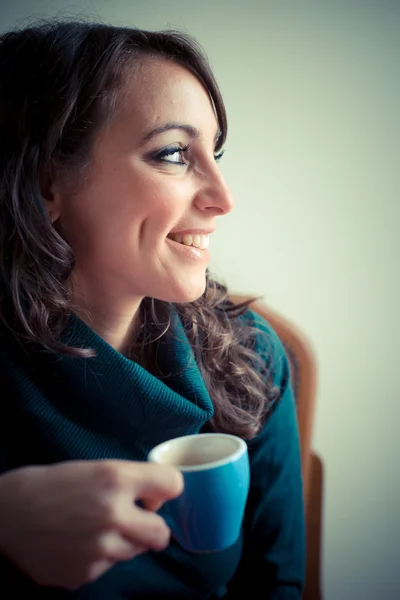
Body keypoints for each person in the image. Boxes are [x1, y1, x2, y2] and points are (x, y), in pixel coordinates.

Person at [0, 19, 305, 599]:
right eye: (172, 154)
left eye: (214, 153)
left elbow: (278, 585)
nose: (222, 197)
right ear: (46, 185)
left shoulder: (254, 358)